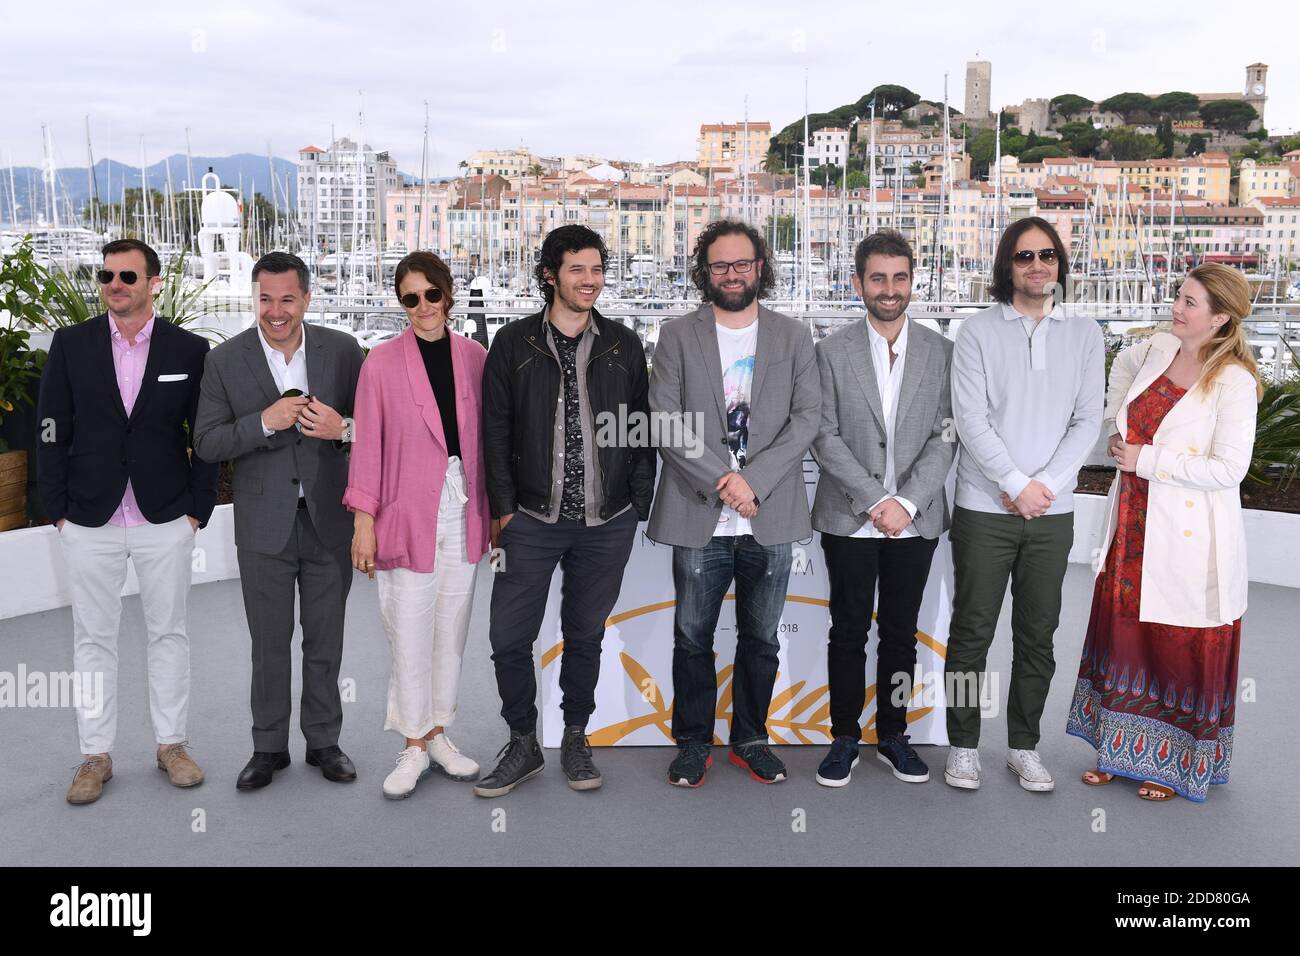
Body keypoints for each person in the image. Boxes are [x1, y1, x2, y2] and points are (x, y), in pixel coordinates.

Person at [1067, 263, 1260, 803]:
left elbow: (1229, 469)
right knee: (1123, 633)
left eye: (1190, 303)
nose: (1177, 307)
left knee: (1174, 643)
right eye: (1179, 296)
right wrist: (1115, 430)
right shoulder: (1154, 349)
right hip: (1131, 522)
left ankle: (1172, 762)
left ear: (1220, 318)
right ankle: (1116, 750)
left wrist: (1145, 459)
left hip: (1189, 534)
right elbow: (1120, 382)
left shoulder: (1234, 382)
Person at [474, 225, 654, 797]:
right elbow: (494, 432)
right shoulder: (513, 343)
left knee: (585, 635)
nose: (590, 281)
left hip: (607, 521)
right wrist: (503, 511)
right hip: (529, 520)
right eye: (578, 270)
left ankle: (576, 736)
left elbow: (642, 426)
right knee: (508, 637)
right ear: (551, 274)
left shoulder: (624, 344)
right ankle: (523, 741)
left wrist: (638, 505)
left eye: (597, 270)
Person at [37, 238, 218, 805]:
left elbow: (205, 436)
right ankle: (95, 755)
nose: (115, 284)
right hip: (88, 518)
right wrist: (58, 510)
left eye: (128, 276)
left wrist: (198, 509)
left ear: (153, 283)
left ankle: (172, 746)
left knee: (168, 633)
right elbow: (48, 428)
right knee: (93, 638)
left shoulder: (189, 350)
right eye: (107, 275)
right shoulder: (70, 345)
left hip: (165, 515)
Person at [648, 219, 820, 788]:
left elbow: (806, 420)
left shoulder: (794, 337)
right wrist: (726, 480)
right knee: (691, 638)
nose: (732, 274)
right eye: (720, 265)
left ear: (760, 268)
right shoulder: (675, 336)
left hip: (769, 517)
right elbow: (665, 423)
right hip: (699, 513)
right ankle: (692, 743)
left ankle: (750, 738)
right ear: (705, 271)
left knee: (762, 639)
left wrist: (756, 482)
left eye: (742, 264)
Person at [193, 252, 365, 790]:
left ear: (307, 299)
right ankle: (268, 748)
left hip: (327, 521)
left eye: (287, 299)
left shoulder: (343, 351)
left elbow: (371, 432)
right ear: (255, 299)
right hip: (263, 526)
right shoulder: (224, 360)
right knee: (268, 643)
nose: (276, 310)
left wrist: (344, 428)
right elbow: (206, 442)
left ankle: (323, 742)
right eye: (265, 299)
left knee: (325, 640)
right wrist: (263, 422)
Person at [945, 216, 1104, 792]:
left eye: (1047, 255)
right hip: (984, 508)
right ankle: (963, 745)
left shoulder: (1085, 334)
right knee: (971, 633)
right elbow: (971, 419)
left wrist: (1046, 486)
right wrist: (1015, 482)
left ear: (1059, 263)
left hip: (1052, 513)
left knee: (1038, 633)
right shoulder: (977, 333)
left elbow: (1088, 418)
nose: (1037, 266)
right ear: (1006, 266)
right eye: (1024, 256)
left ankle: (1023, 745)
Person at [810, 230, 954, 787]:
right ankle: (844, 735)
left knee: (900, 632)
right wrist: (875, 500)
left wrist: (909, 502)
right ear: (858, 283)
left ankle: (893, 734)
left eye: (899, 277)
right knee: (846, 630)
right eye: (877, 278)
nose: (889, 289)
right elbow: (822, 434)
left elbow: (948, 435)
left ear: (912, 282)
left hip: (915, 521)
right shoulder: (829, 351)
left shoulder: (943, 353)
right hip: (851, 516)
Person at [345, 251, 490, 799]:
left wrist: (497, 512)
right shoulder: (380, 363)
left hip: (464, 506)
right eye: (410, 298)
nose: (423, 306)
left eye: (432, 294)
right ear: (400, 303)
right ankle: (411, 742)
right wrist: (364, 521)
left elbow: (489, 440)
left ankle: (438, 734)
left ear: (448, 295)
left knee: (451, 627)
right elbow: (368, 447)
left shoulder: (476, 357)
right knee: (407, 625)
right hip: (402, 512)